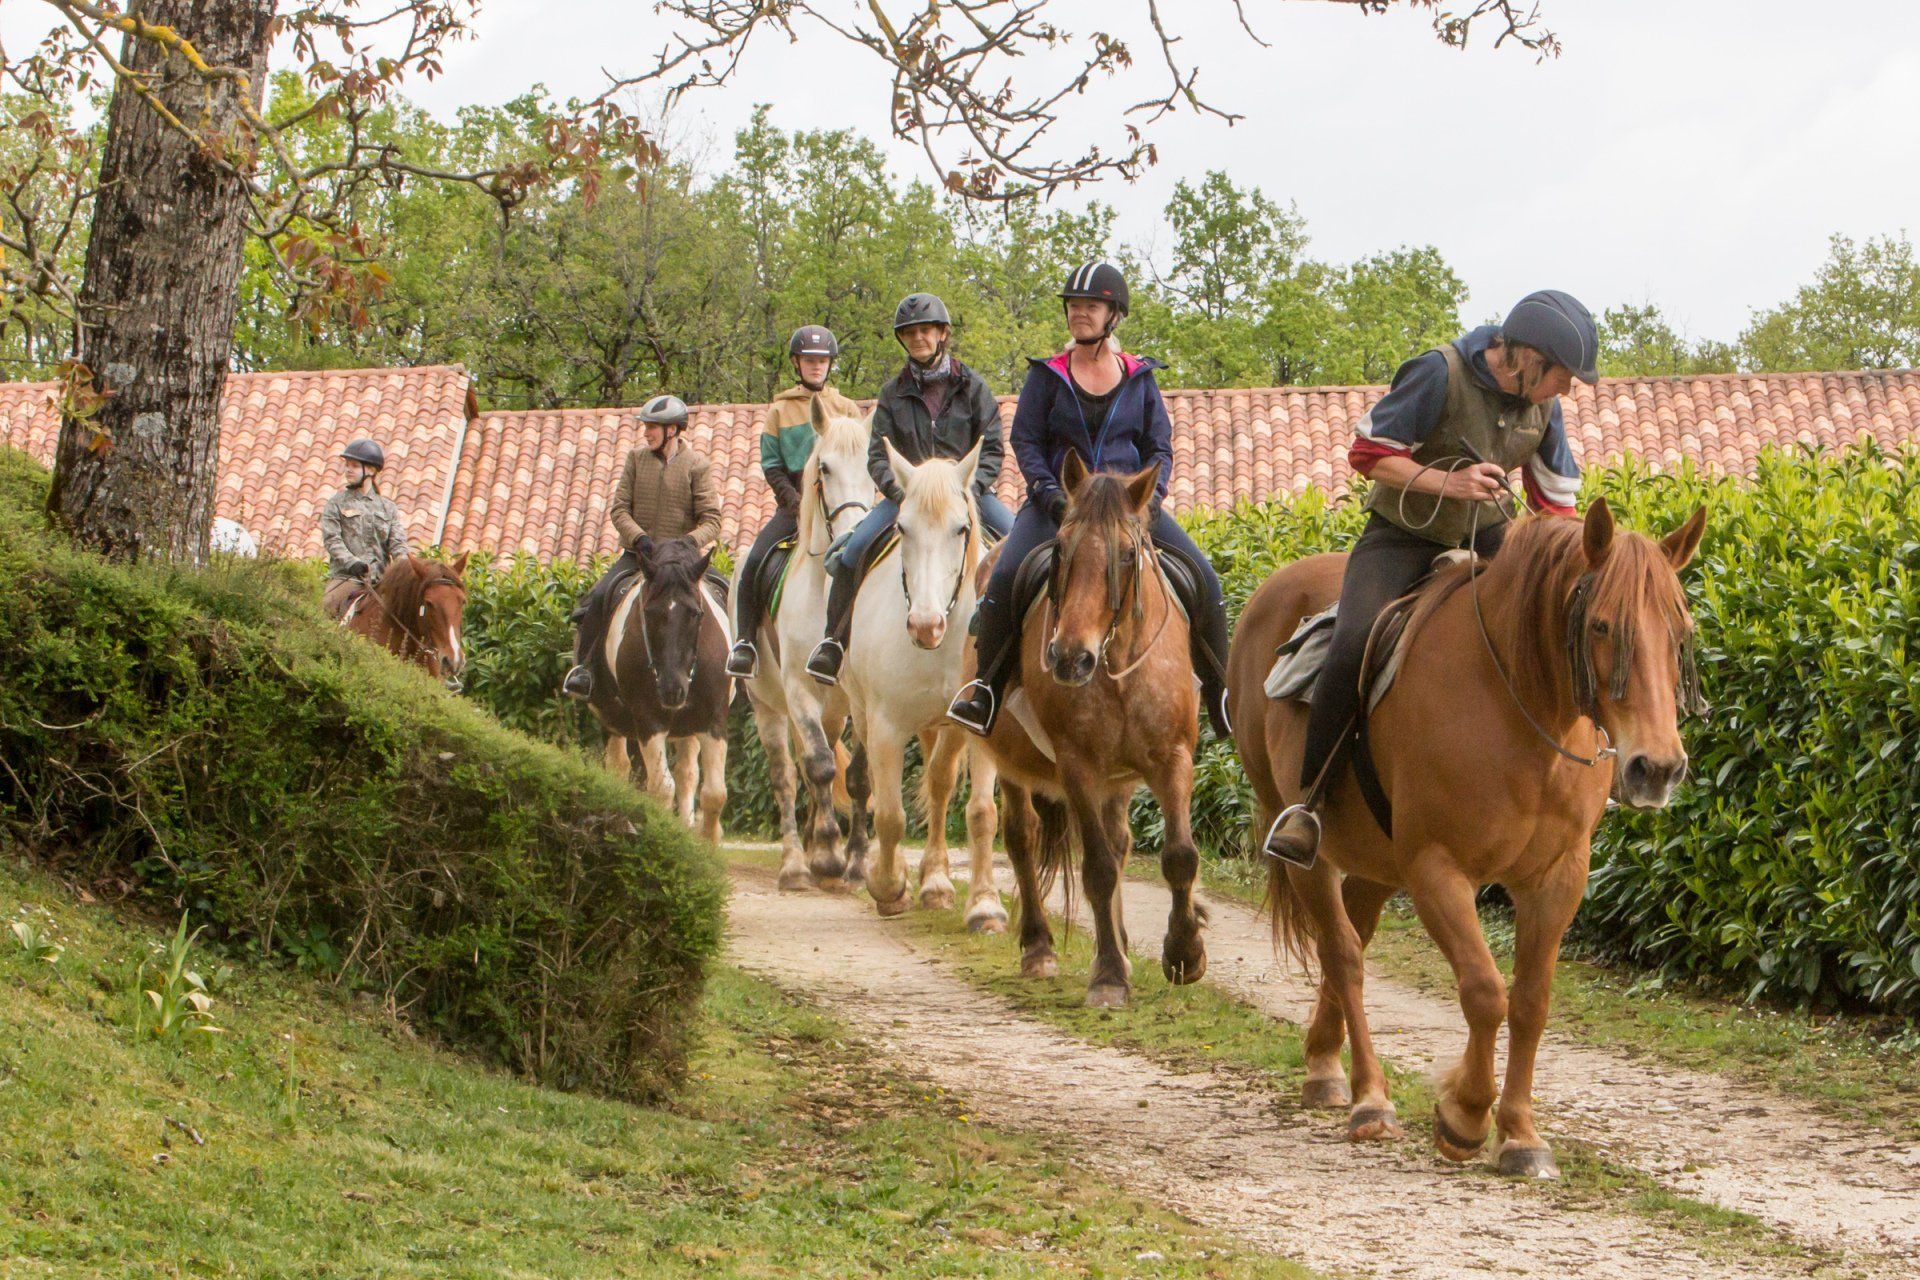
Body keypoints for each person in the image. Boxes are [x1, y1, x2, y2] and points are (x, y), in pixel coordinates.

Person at [1263, 288, 1595, 866]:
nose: (1565, 391)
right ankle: (1309, 806)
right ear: (1528, 358)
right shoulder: (1437, 373)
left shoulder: (1546, 408)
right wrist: (1450, 483)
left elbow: (1557, 505)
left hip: (1490, 537)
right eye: (1562, 377)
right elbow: (1367, 453)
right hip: (1403, 535)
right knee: (1353, 642)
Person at [944, 261, 1234, 739]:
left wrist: (1151, 498)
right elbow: (1027, 440)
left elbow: (1159, 445)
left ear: (1112, 315)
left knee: (1204, 577)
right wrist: (1050, 494)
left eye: (1090, 305)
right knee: (1006, 579)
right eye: (1074, 305)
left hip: (1127, 511)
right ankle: (985, 693)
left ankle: (1222, 697)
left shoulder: (1140, 378)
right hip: (1059, 508)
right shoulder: (1046, 375)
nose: (1079, 312)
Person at [803, 292, 1013, 685]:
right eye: (911, 333)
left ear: (942, 334)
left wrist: (968, 490)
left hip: (967, 498)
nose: (918, 338)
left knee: (1020, 548)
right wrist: (904, 494)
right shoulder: (891, 394)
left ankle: (1011, 647)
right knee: (852, 553)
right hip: (908, 501)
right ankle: (834, 642)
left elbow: (994, 448)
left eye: (926, 330)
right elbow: (877, 457)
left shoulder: (974, 387)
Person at [561, 394, 723, 699]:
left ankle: (737, 666)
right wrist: (639, 538)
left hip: (681, 563)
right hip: (640, 557)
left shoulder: (697, 466)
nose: (646, 432)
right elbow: (619, 509)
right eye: (646, 426)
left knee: (726, 595)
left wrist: (690, 541)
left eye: (653, 427)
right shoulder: (636, 459)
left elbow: (712, 519)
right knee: (597, 599)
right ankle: (583, 670)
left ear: (673, 430)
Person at [725, 325, 862, 678]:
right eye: (810, 360)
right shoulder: (779, 411)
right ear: (797, 364)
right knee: (754, 560)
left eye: (822, 360)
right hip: (795, 506)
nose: (817, 366)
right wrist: (794, 503)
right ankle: (744, 642)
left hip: (840, 507)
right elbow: (771, 466)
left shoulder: (847, 409)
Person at [320, 438, 411, 620]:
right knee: (327, 607)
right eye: (347, 465)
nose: (348, 470)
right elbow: (332, 540)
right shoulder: (336, 504)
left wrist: (405, 568)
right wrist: (352, 563)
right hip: (348, 578)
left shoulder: (388, 508)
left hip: (382, 582)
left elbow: (398, 544)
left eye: (354, 466)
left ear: (370, 470)